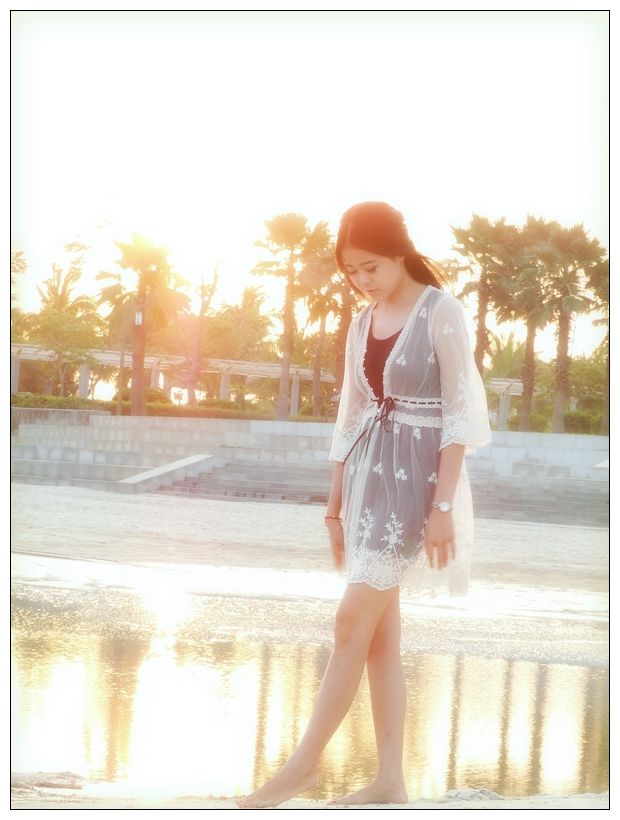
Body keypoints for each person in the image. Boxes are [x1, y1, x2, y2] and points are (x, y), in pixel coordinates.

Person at [236, 201, 492, 809]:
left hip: (417, 486)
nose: (362, 280)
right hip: (367, 481)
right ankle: (390, 781)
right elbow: (351, 414)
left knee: (350, 623)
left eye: (371, 267)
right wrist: (333, 505)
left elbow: (460, 414)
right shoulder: (361, 322)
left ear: (400, 252)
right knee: (378, 639)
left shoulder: (441, 311)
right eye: (352, 271)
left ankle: (300, 769)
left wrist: (443, 508)